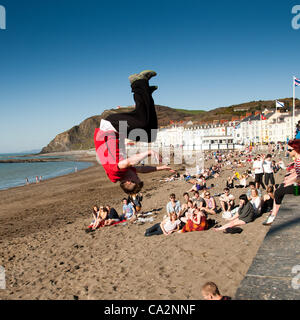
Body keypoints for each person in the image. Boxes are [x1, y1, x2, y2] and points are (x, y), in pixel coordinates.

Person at [94, 70, 175, 195]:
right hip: (116, 131)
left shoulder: (116, 172)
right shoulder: (125, 172)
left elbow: (128, 162)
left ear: (128, 181)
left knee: (142, 122)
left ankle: (138, 82)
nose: (137, 174)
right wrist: (159, 168)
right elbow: (141, 169)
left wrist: (149, 152)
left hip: (109, 127)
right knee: (150, 133)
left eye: (136, 178)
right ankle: (144, 91)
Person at [263, 140, 300, 225]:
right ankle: (274, 213)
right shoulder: (297, 160)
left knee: (278, 192)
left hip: (298, 188)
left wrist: (292, 182)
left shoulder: (299, 161)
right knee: (280, 187)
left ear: (296, 150)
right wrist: (290, 181)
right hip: (297, 184)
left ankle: (275, 214)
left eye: (290, 150)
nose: (288, 151)